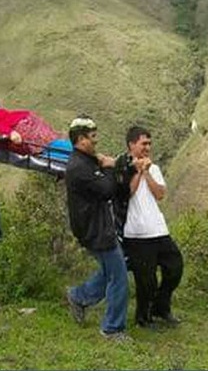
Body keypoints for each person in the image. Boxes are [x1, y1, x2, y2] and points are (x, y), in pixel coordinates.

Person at [64, 115, 131, 341]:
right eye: (93, 137)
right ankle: (112, 328)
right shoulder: (79, 167)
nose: (96, 141)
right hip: (96, 230)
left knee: (108, 271)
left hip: (96, 226)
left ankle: (78, 296)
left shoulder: (84, 161)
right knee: (119, 277)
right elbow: (106, 190)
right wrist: (111, 167)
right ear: (81, 139)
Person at [120, 126, 183, 328]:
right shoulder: (123, 167)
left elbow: (160, 194)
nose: (147, 147)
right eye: (143, 143)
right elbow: (127, 193)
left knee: (175, 268)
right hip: (137, 234)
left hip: (158, 230)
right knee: (146, 280)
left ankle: (160, 307)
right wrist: (138, 171)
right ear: (132, 144)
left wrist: (147, 172)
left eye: (149, 144)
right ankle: (143, 318)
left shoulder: (153, 168)